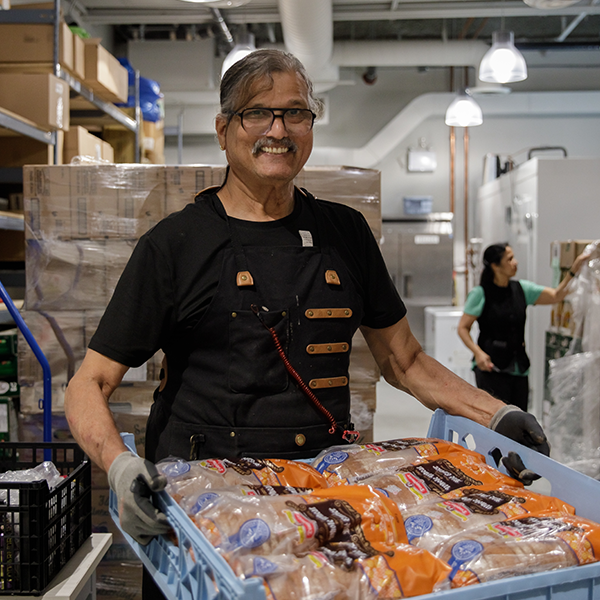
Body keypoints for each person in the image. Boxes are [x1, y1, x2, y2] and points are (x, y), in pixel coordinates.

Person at [64, 49, 550, 598]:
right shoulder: (176, 245)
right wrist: (122, 466)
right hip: (205, 511)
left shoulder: (345, 232)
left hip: (325, 506)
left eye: (295, 113)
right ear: (224, 130)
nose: (278, 129)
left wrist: (497, 413)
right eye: (258, 114)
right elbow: (90, 382)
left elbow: (404, 360)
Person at [458, 242, 590, 412]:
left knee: (519, 421)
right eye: (510, 259)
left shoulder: (521, 289)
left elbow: (556, 295)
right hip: (492, 369)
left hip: (519, 369)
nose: (516, 262)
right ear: (495, 266)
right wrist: (478, 353)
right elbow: (463, 328)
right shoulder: (481, 293)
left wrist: (574, 269)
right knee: (495, 422)